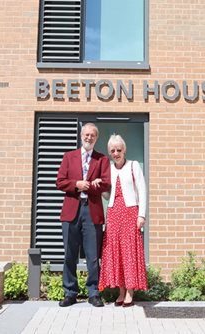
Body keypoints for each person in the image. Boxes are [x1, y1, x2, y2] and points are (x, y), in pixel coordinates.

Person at [56, 122, 111, 307]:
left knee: (93, 255)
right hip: (72, 209)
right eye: (86, 135)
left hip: (92, 210)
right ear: (81, 136)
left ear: (96, 138)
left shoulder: (101, 159)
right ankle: (70, 293)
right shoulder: (68, 157)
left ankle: (94, 292)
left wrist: (96, 184)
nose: (89, 138)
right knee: (69, 254)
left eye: (92, 135)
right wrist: (77, 184)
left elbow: (107, 183)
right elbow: (60, 181)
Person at [99, 134, 147, 307]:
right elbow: (106, 195)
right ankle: (120, 292)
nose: (116, 153)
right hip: (112, 213)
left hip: (130, 213)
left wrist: (142, 215)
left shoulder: (134, 166)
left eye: (119, 149)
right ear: (109, 152)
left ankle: (130, 292)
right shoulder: (109, 169)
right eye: (113, 150)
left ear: (124, 149)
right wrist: (99, 186)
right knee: (116, 252)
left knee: (129, 252)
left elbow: (142, 190)